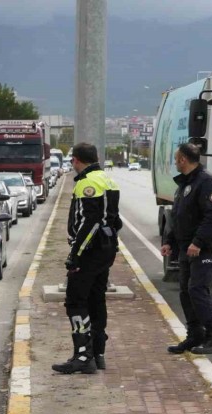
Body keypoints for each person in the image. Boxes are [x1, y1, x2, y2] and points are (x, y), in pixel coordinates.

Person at [52, 142, 122, 374]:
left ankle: (82, 355)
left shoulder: (87, 182)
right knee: (96, 300)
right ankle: (98, 353)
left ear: (76, 160)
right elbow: (115, 221)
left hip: (90, 252)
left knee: (75, 301)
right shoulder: (107, 179)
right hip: (106, 250)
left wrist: (75, 255)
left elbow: (88, 222)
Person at [160, 143, 212, 355]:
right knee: (186, 291)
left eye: (176, 158)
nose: (175, 162)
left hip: (204, 248)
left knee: (198, 289)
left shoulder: (206, 182)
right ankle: (195, 334)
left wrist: (198, 242)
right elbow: (179, 216)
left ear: (183, 160)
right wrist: (169, 241)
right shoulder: (185, 184)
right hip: (186, 248)